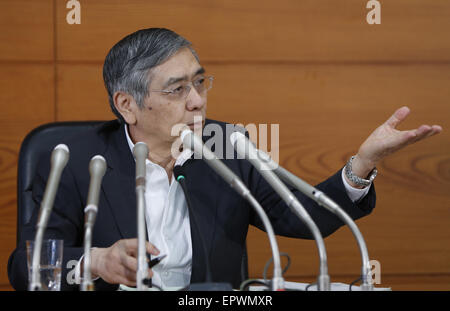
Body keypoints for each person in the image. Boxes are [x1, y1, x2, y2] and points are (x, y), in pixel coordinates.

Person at [8, 28, 442, 291]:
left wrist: (362, 163)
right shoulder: (78, 160)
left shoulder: (226, 145)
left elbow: (302, 215)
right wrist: (96, 261)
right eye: (177, 89)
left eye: (200, 82)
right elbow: (25, 265)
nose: (197, 101)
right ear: (127, 105)